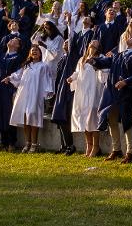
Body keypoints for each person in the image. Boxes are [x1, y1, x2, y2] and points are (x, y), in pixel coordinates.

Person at [92, 34, 132, 162]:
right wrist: (94, 61)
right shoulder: (120, 55)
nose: (129, 37)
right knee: (111, 120)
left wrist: (125, 82)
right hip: (111, 93)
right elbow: (107, 62)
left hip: (125, 93)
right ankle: (116, 149)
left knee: (126, 122)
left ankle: (131, 152)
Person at [53, 15, 92, 155]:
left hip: (71, 88)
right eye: (66, 42)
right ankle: (64, 145)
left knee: (66, 114)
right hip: (61, 89)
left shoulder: (75, 58)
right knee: (59, 115)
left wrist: (70, 23)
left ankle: (70, 145)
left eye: (69, 42)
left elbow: (72, 35)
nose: (66, 43)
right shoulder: (63, 59)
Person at [7, 45, 54, 152]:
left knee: (33, 116)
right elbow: (17, 76)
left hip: (36, 94)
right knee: (25, 118)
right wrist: (9, 78)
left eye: (36, 50)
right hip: (24, 94)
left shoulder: (44, 66)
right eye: (32, 50)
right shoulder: (26, 66)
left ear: (40, 53)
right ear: (30, 54)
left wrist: (48, 92)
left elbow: (47, 80)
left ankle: (34, 144)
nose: (34, 52)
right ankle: (27, 143)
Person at [67, 40, 105, 157]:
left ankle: (96, 146)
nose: (92, 45)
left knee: (93, 119)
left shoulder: (101, 58)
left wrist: (95, 64)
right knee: (84, 119)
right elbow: (77, 72)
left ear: (98, 48)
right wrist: (72, 78)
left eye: (95, 45)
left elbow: (104, 75)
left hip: (94, 91)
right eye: (91, 44)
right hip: (83, 91)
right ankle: (88, 145)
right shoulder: (82, 59)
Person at [0, 38, 24, 151]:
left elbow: (19, 75)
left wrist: (14, 91)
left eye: (14, 40)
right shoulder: (0, 55)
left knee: (9, 116)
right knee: (0, 115)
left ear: (18, 46)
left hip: (9, 90)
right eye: (11, 39)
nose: (11, 41)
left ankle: (11, 143)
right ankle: (3, 142)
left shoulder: (18, 58)